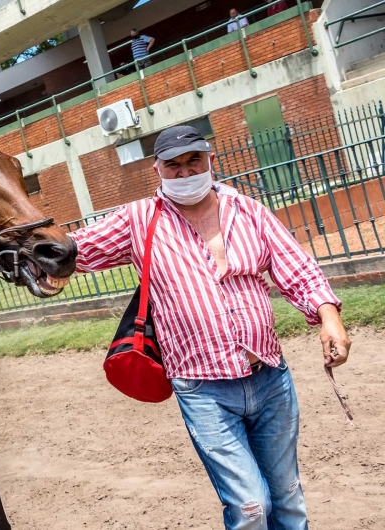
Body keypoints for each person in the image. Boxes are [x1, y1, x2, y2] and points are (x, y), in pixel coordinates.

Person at [69, 125, 351, 529]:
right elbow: (74, 249)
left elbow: (298, 270)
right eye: (174, 166)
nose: (185, 173)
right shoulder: (139, 220)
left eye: (193, 162)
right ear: (157, 170)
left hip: (270, 379)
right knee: (251, 507)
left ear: (209, 160)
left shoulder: (249, 211)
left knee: (287, 497)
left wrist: (329, 317)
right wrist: (11, 248)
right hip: (203, 391)